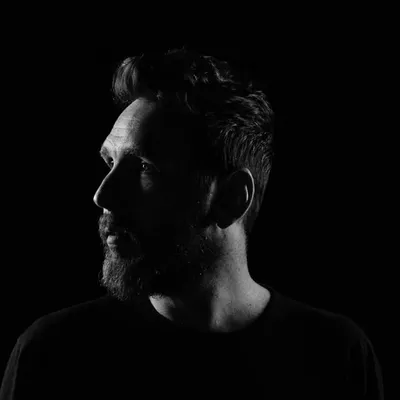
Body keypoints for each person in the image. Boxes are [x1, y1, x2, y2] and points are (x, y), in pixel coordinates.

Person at [0, 48, 384, 399]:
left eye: (144, 167)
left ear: (231, 198)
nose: (103, 196)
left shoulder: (337, 355)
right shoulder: (54, 354)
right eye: (110, 162)